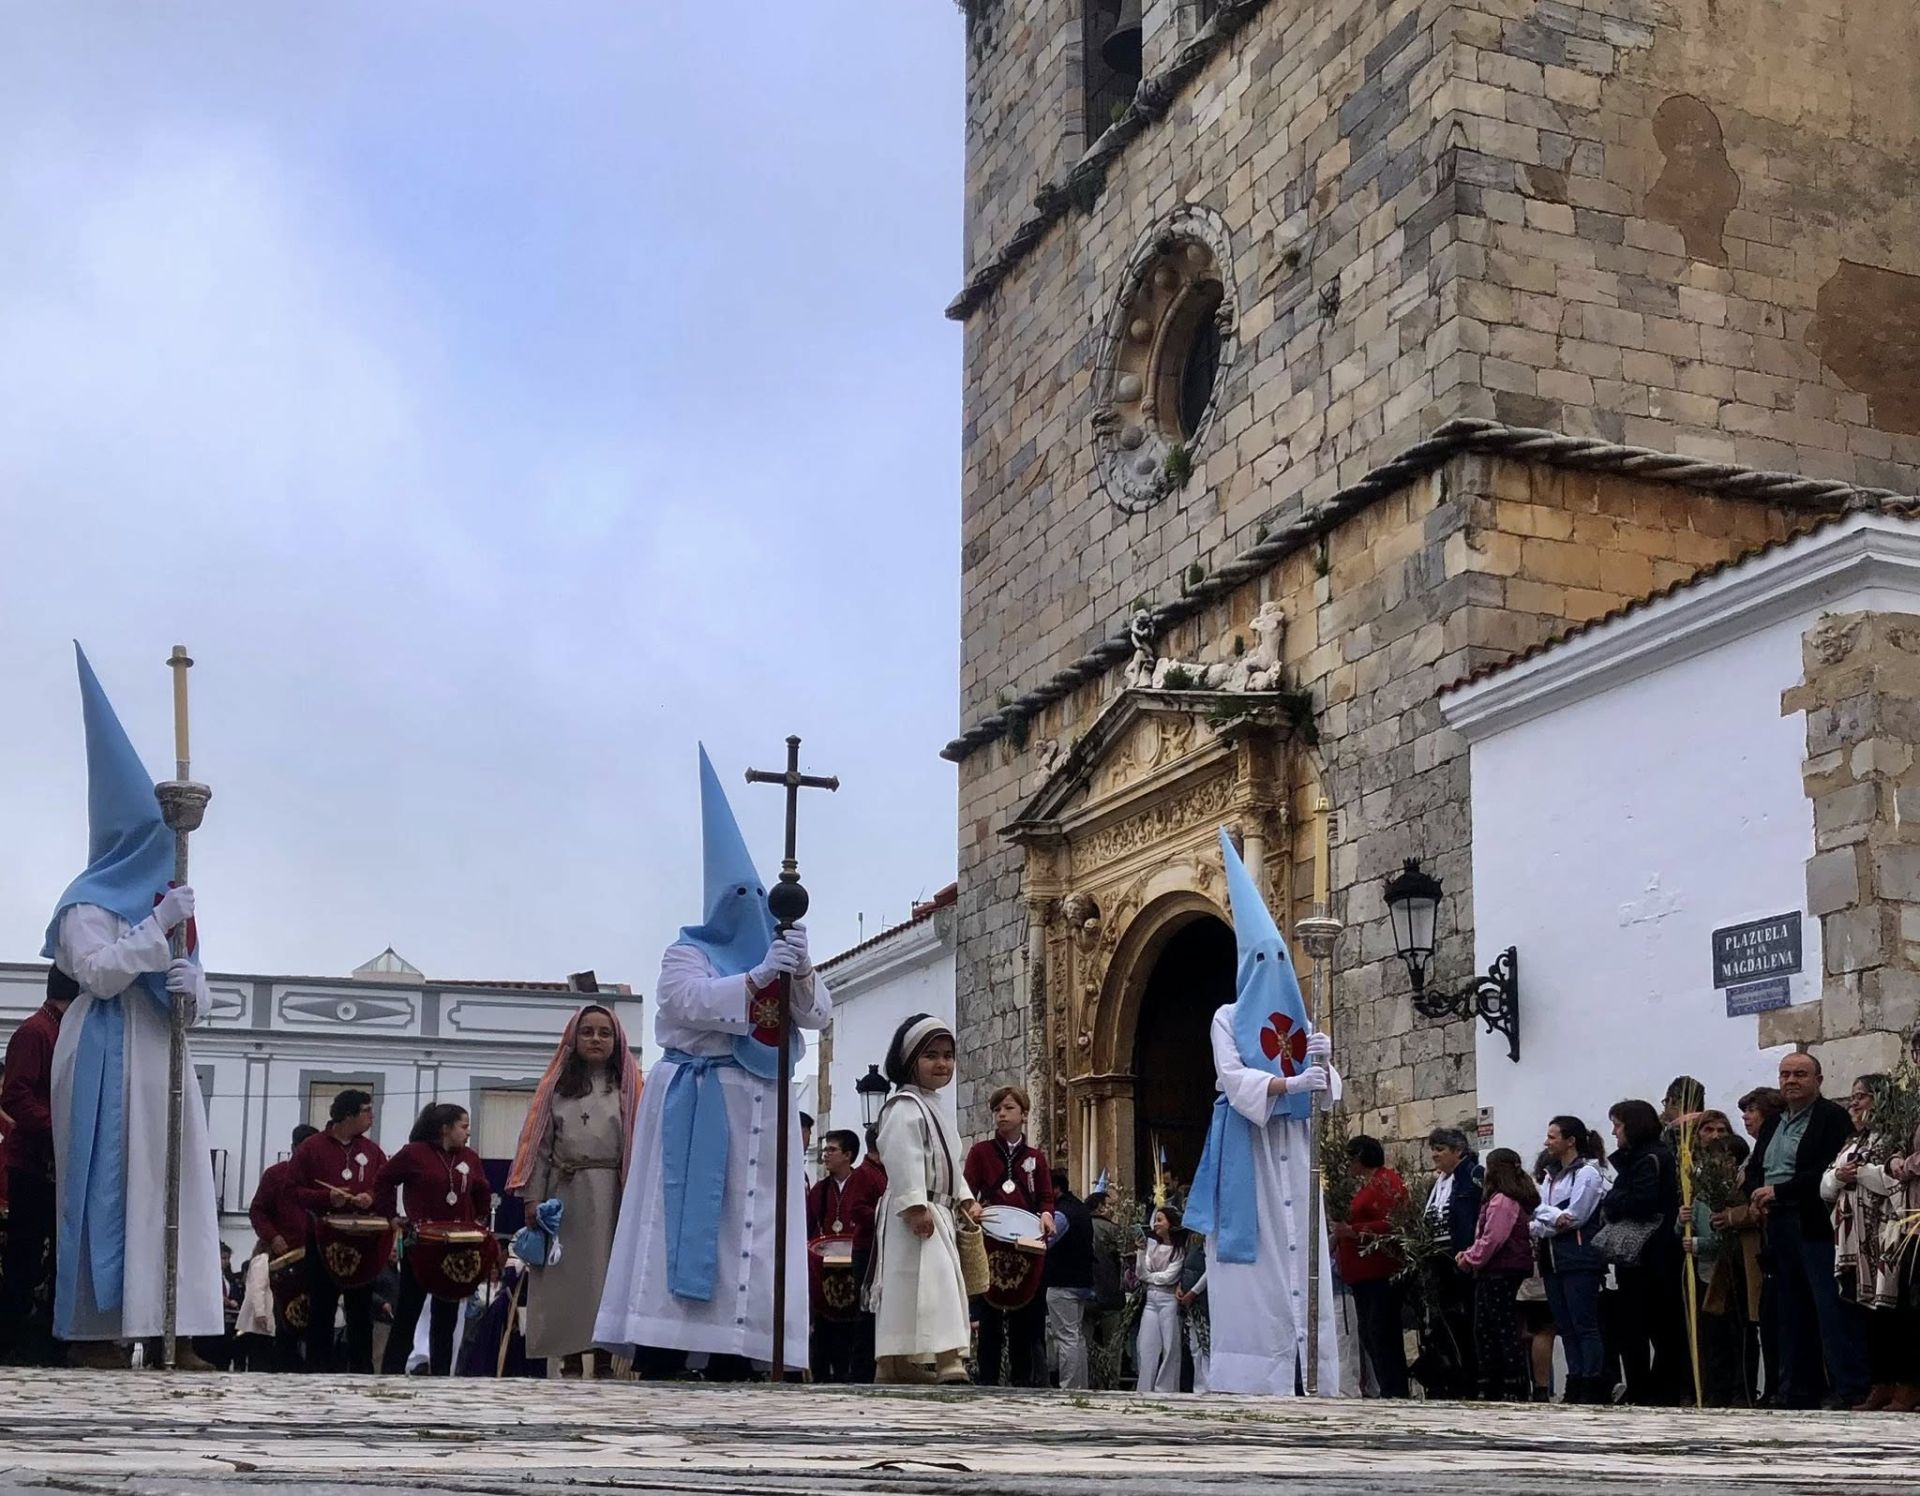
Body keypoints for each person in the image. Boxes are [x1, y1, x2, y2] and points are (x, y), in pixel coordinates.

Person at [594, 748, 828, 1379]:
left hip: (763, 1104)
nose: (746, 903)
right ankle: (665, 1342)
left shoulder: (778, 950)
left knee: (755, 1230)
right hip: (697, 1103)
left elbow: (815, 1015)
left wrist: (800, 967)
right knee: (690, 1222)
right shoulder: (685, 951)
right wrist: (754, 978)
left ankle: (744, 1346)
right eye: (737, 893)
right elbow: (687, 1002)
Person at [44, 647, 221, 1369]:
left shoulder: (166, 903)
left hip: (159, 1053)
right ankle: (100, 1332)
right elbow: (99, 975)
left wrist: (192, 986)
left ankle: (170, 1324)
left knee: (170, 1185)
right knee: (113, 1188)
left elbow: (195, 988)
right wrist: (155, 932)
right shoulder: (84, 905)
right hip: (106, 1055)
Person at [1185, 830, 1339, 1397]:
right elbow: (1233, 1077)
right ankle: (1254, 1378)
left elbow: (1324, 1096)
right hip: (1245, 1149)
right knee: (1255, 1273)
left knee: (1302, 1254)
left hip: (1294, 1149)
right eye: (1262, 957)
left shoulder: (1298, 1020)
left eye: (1280, 956)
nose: (1272, 965)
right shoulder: (1226, 1017)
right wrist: (1287, 1081)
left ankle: (1313, 1375)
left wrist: (1323, 1068)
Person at [506, 1002, 641, 1377]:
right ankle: (567, 1353)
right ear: (573, 1038)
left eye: (604, 1032)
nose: (596, 1039)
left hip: (615, 1194)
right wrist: (533, 1199)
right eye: (587, 1032)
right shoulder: (556, 1089)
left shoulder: (630, 1088)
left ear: (617, 1040)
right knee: (565, 1276)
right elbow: (540, 1147)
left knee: (606, 1276)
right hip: (564, 1195)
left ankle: (603, 1353)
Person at [1744, 1050, 1866, 1408]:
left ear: (1819, 1080)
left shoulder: (1831, 1117)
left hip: (1813, 1220)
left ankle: (1848, 1387)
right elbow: (1757, 1166)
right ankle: (1796, 1388)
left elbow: (1826, 1168)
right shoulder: (1773, 1122)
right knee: (1789, 1307)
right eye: (1785, 1075)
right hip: (1777, 1222)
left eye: (1800, 1074)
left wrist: (1779, 1190)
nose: (1791, 1081)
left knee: (1828, 1305)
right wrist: (1754, 1191)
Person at [866, 1013, 980, 1384]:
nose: (942, 1063)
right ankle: (946, 1358)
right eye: (931, 1055)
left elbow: (949, 1161)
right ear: (910, 1059)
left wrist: (964, 1198)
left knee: (927, 1285)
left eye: (948, 1055)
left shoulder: (934, 1108)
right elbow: (903, 1157)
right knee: (927, 1284)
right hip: (914, 1211)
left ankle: (897, 1363)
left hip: (939, 1209)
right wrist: (915, 1205)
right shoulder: (903, 1108)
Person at [375, 1102, 491, 1375]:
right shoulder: (414, 1154)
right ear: (445, 1128)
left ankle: (440, 1375)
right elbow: (383, 1180)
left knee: (447, 1316)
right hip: (421, 1245)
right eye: (464, 1126)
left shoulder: (469, 1158)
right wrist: (391, 1216)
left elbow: (481, 1190)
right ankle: (391, 1374)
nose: (468, 1133)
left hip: (456, 1248)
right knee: (408, 1311)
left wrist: (479, 1219)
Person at [0, 965, 76, 1366]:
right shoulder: (35, 1033)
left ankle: (46, 1340)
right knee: (26, 1255)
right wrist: (57, 1127)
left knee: (56, 1256)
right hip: (32, 1163)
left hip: (54, 1163)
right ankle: (12, 1341)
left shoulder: (61, 1032)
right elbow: (14, 1096)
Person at [1820, 1074, 1907, 1410]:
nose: (1854, 1103)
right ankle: (1879, 1383)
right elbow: (1825, 1186)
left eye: (1862, 1096)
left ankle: (1903, 1383)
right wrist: (1837, 1177)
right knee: (1866, 1315)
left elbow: (1893, 1180)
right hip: (1854, 1240)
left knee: (1891, 1312)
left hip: (1886, 1233)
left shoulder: (1892, 1138)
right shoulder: (1852, 1143)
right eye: (1853, 1097)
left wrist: (1859, 1174)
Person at [963, 1084, 1055, 1386]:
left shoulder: (1035, 1158)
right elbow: (967, 1191)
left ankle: (1022, 1385)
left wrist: (1046, 1215)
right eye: (997, 1110)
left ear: (1024, 1114)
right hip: (991, 1242)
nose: (1001, 1114)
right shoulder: (980, 1153)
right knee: (989, 1321)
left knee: (1024, 1323)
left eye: (1008, 1108)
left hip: (1026, 1247)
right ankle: (987, 1383)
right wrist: (973, 1206)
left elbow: (1045, 1197)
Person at [290, 1088, 387, 1373]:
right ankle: (317, 1370)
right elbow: (292, 1190)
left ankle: (361, 1371)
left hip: (361, 1241)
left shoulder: (371, 1151)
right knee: (322, 1308)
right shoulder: (311, 1148)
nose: (372, 1116)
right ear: (348, 1115)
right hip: (323, 1237)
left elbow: (384, 1187)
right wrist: (325, 1199)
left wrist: (371, 1198)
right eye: (367, 1110)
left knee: (360, 1311)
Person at [1600, 1098, 1684, 1404]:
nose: (1614, 1133)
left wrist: (1613, 1203)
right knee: (1639, 1325)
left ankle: (1653, 1387)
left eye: (1618, 1125)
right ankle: (1646, 1386)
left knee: (1651, 1325)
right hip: (1643, 1255)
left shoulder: (1649, 1158)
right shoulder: (1638, 1158)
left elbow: (1640, 1201)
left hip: (1650, 1253)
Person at [1532, 1114, 1607, 1403]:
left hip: (1578, 1258)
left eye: (1553, 1137)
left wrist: (1546, 1218)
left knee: (1583, 1322)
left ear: (1570, 1141)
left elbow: (1575, 1216)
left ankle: (1592, 1381)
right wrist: (1552, 1217)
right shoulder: (1550, 1176)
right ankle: (1575, 1379)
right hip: (1552, 1260)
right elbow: (1536, 1216)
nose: (1547, 1142)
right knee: (1564, 1325)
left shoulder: (1586, 1174)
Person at [1456, 1147, 1538, 1402]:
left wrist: (1471, 1257)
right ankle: (1494, 1379)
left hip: (1501, 1270)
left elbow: (1494, 1237)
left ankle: (1509, 1382)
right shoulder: (1502, 1198)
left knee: (1499, 1327)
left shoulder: (1502, 1200)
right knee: (1487, 1327)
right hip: (1496, 1269)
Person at [1686, 1112, 1757, 1407]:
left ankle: (1740, 1390)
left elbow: (1723, 1228)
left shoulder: (1735, 1186)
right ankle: (1713, 1389)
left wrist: (1700, 1243)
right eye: (1708, 1130)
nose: (1714, 1136)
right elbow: (1697, 1219)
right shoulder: (1699, 1182)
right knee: (1710, 1335)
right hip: (1703, 1268)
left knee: (1737, 1332)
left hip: (1729, 1265)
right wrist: (1683, 1221)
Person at [1331, 1133, 1408, 1398]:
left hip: (1379, 1272)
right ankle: (1389, 1388)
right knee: (1370, 1333)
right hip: (1362, 1275)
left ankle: (1393, 1389)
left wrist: (1353, 1231)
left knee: (1381, 1332)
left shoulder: (1386, 1183)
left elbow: (1394, 1223)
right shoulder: (1368, 1185)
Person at [806, 1127, 881, 1383]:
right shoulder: (820, 1190)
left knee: (855, 1321)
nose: (825, 1155)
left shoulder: (862, 1180)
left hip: (856, 1261)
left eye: (832, 1149)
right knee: (825, 1324)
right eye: (825, 1149)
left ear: (848, 1155)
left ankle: (849, 1371)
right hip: (826, 1269)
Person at [246, 1122, 319, 1371]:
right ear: (294, 1148)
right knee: (285, 1318)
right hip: (284, 1261)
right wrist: (272, 1236)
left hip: (316, 1259)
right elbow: (257, 1210)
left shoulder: (321, 1179)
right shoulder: (276, 1175)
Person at [1419, 1125, 1483, 1398]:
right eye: (1433, 1149)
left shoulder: (1472, 1175)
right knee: (1445, 1320)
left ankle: (1472, 1377)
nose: (1435, 1155)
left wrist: (1469, 1253)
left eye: (1440, 1149)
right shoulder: (1438, 1184)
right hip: (1439, 1258)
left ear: (1458, 1151)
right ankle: (1453, 1376)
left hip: (1461, 1257)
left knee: (1466, 1319)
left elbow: (1473, 1215)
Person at [1044, 1168, 1094, 1389]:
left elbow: (1047, 1241)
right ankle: (1080, 1385)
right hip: (1081, 1280)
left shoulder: (1061, 1213)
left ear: (1055, 1188)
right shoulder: (1080, 1208)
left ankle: (1069, 1387)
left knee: (1065, 1338)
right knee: (1076, 1336)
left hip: (1063, 1281)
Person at [1134, 1204, 1187, 1394]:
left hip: (1168, 1299)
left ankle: (1165, 1388)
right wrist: (1140, 1253)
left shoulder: (1178, 1250)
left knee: (1169, 1345)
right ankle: (1145, 1386)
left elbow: (1169, 1277)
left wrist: (1151, 1277)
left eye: (1160, 1220)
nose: (1156, 1224)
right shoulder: (1152, 1246)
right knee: (1145, 1343)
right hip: (1151, 1299)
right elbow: (1142, 1272)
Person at [1086, 1179, 1129, 1389]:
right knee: (1113, 1345)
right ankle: (1111, 1384)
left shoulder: (1079, 1226)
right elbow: (1126, 1256)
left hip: (1084, 1294)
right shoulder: (1112, 1230)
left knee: (1083, 1343)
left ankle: (1087, 1381)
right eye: (1108, 1206)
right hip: (1110, 1294)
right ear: (1100, 1207)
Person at [1175, 1225, 1209, 1394]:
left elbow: (1210, 1270)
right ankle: (1198, 1385)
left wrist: (1194, 1291)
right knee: (1194, 1344)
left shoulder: (1207, 1237)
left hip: (1201, 1299)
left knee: (1205, 1342)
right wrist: (1180, 1286)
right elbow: (1184, 1266)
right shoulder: (1190, 1238)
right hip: (1189, 1298)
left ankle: (1207, 1385)